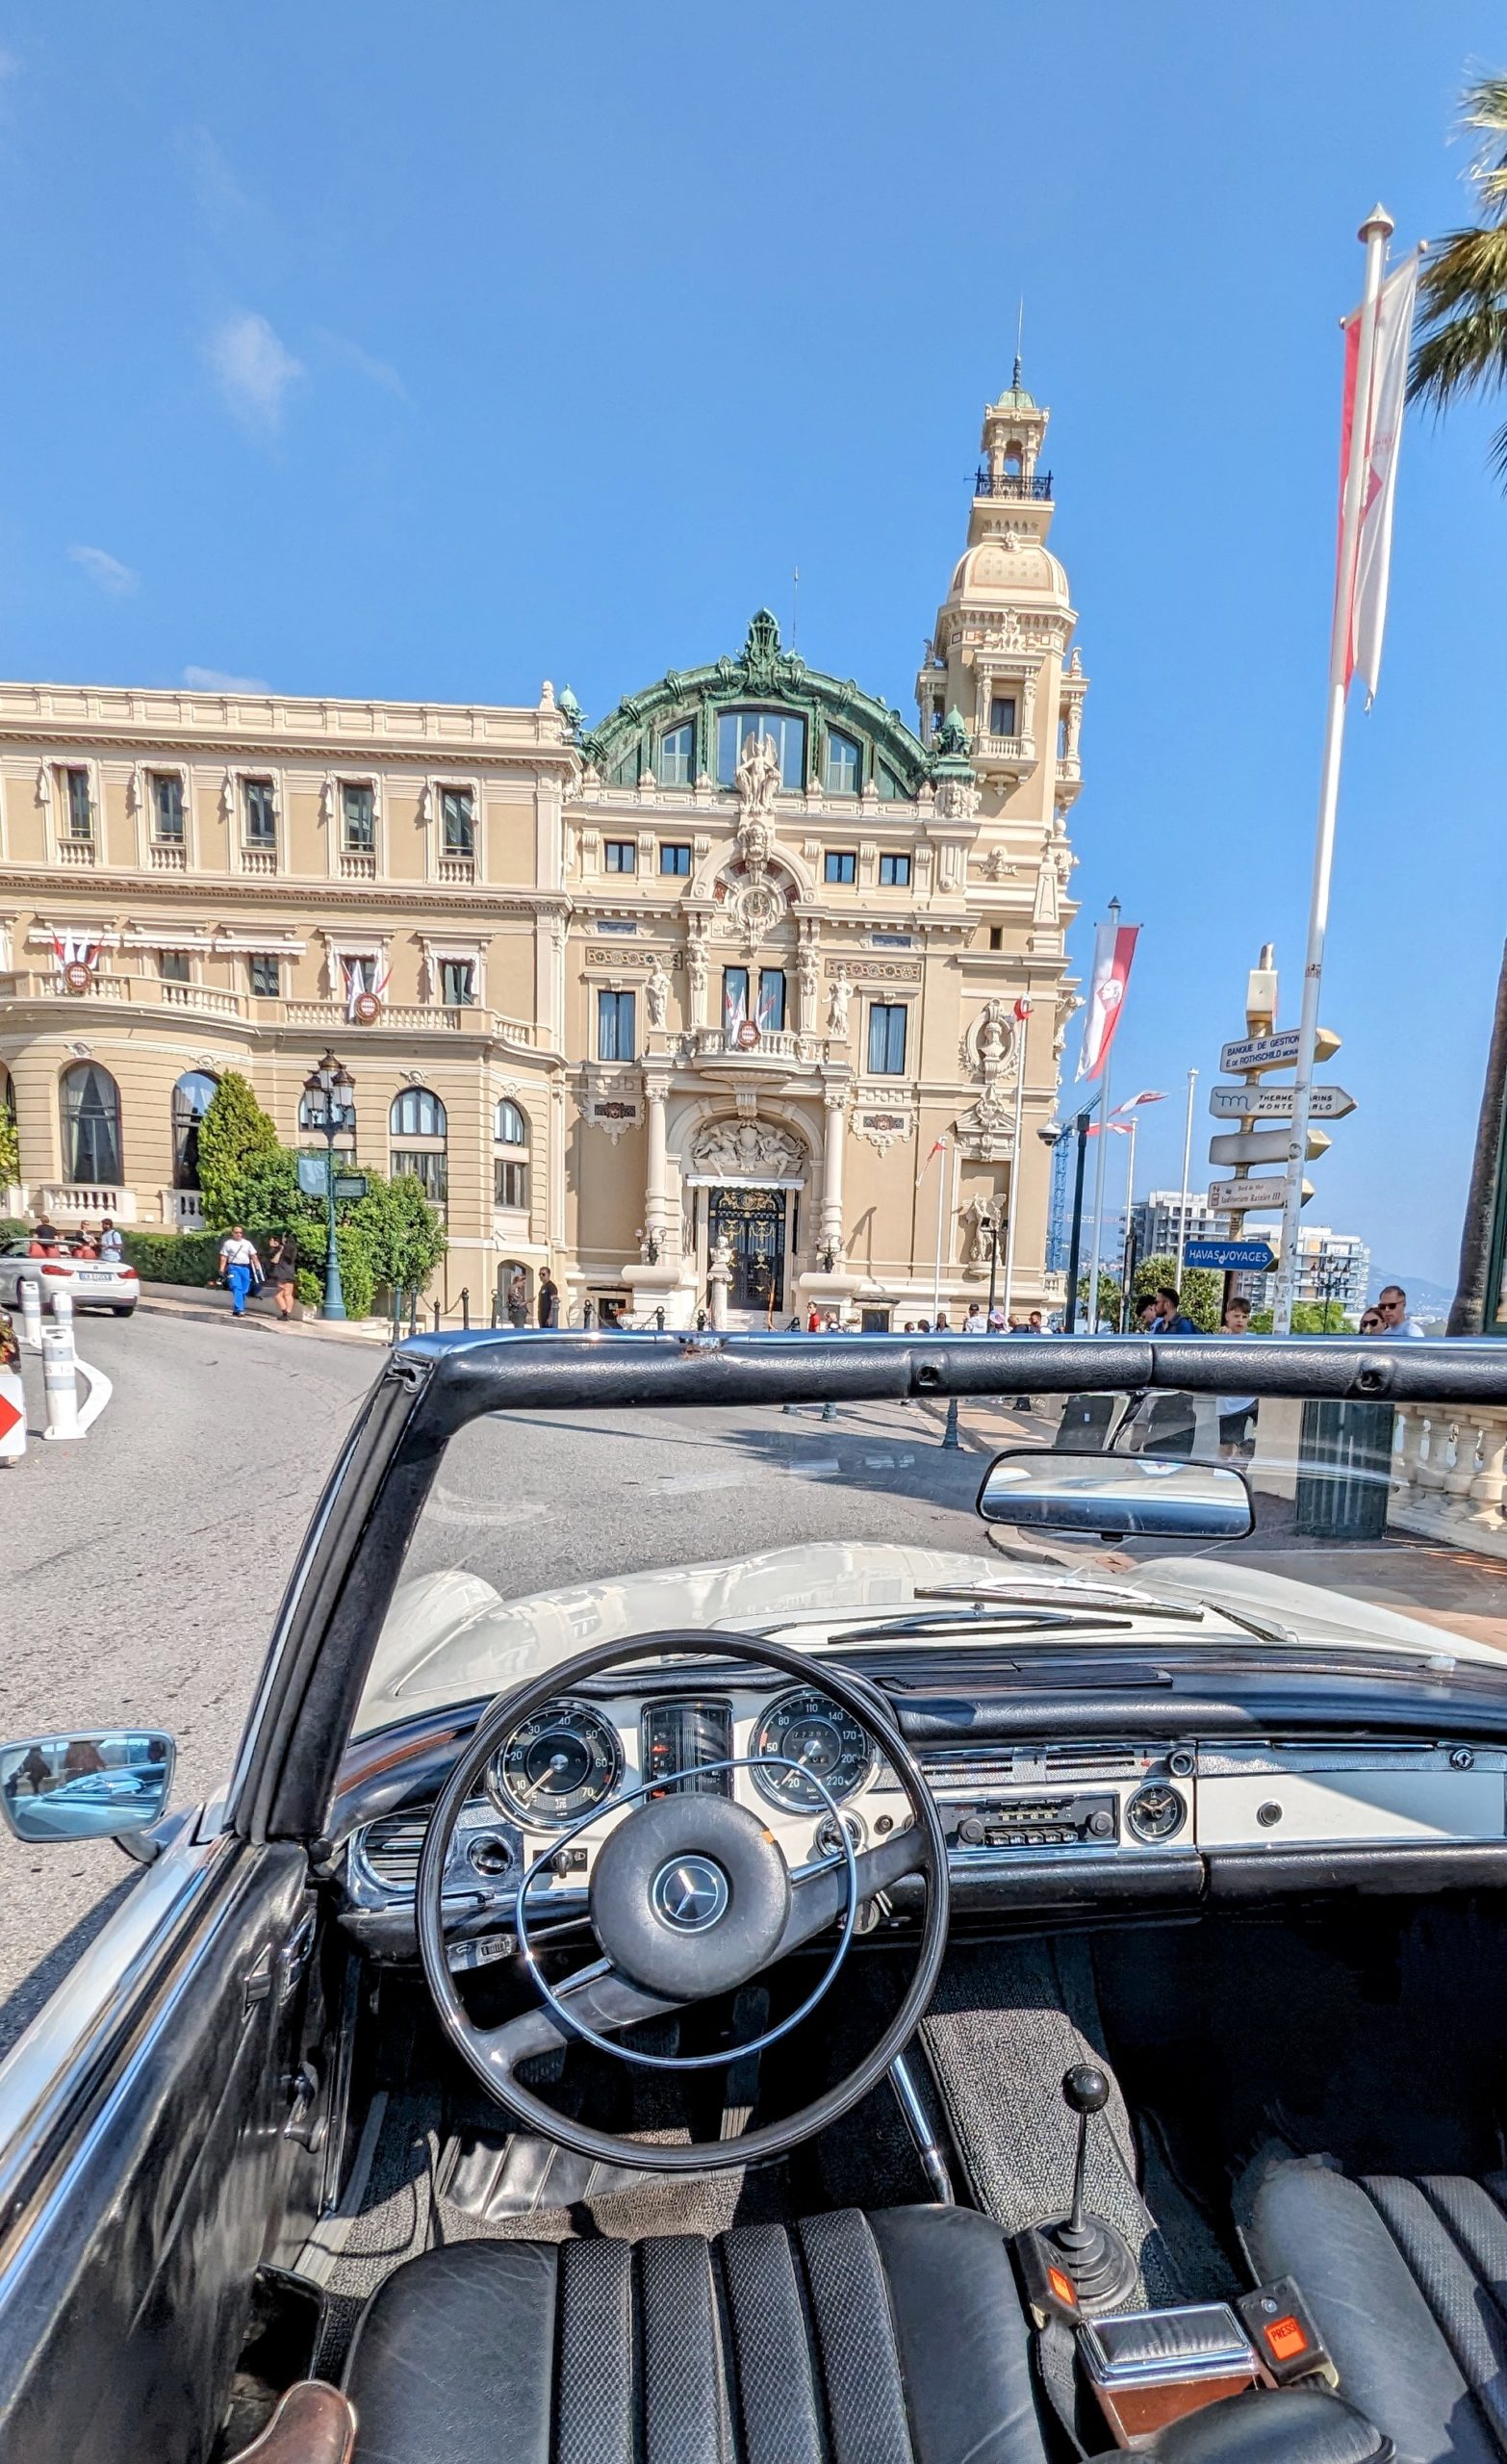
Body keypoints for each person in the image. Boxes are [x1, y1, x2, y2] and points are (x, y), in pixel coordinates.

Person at [1215, 1296, 1258, 1458]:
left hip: (1252, 1397)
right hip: (1229, 1401)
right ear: (1227, 1316)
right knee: (1226, 1445)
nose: (1240, 1320)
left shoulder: (1254, 1340)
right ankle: (1221, 1473)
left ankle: (1245, 1453)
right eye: (1236, 1316)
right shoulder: (1219, 1339)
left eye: (1244, 1316)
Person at [217, 1224, 262, 1320]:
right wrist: (221, 1270)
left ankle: (236, 1309)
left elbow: (254, 1256)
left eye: (240, 1232)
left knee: (244, 1289)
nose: (238, 1234)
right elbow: (224, 1257)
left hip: (245, 1268)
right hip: (233, 1268)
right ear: (232, 1233)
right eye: (236, 1232)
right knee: (236, 1287)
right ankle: (240, 1309)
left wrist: (258, 1268)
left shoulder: (247, 1243)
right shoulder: (228, 1243)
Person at [267, 1231, 299, 1322]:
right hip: (290, 1274)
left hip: (280, 1274)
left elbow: (274, 1261)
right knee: (288, 1295)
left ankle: (284, 1312)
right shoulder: (293, 1250)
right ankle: (288, 1313)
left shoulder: (281, 1249)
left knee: (277, 1294)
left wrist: (279, 1250)